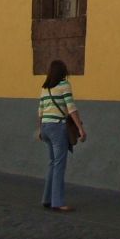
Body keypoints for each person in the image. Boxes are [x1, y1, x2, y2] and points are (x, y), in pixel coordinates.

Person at [37, 59, 86, 212]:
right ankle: (57, 202)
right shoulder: (64, 85)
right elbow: (71, 108)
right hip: (57, 127)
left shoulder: (45, 89)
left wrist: (40, 130)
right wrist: (80, 128)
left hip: (46, 127)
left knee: (52, 163)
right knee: (59, 165)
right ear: (63, 72)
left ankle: (47, 198)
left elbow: (40, 111)